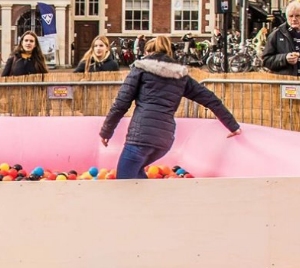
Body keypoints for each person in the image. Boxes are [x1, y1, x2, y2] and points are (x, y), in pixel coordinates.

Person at [99, 35, 241, 180]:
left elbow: (121, 104)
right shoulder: (180, 75)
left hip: (140, 137)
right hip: (164, 141)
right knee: (137, 173)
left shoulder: (140, 69)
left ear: (147, 53)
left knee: (123, 182)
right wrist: (233, 126)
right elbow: (211, 99)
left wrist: (106, 131)